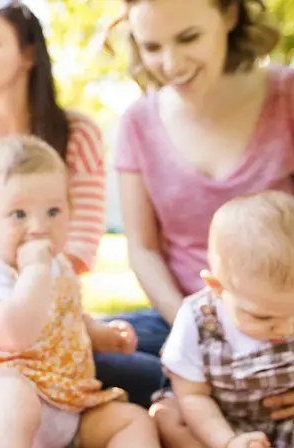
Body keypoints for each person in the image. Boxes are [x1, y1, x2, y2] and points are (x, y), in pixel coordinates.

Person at [0, 0, 164, 407]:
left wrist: (34, 291)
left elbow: (80, 247)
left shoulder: (78, 134)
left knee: (143, 379)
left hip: (48, 284)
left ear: (28, 55)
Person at [0, 136, 167, 448]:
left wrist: (102, 336)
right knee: (12, 393)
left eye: (53, 211)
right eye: (18, 214)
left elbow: (68, 320)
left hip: (67, 406)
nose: (39, 227)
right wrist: (34, 272)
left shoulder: (61, 270)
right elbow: (16, 334)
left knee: (131, 419)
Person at [110, 0, 294, 403]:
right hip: (177, 320)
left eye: (188, 37)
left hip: (281, 319)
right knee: (64, 351)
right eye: (152, 47)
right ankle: (202, 396)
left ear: (229, 14)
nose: (171, 63)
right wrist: (190, 339)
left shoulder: (287, 96)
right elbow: (142, 248)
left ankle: (197, 401)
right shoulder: (138, 123)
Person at [154, 191, 294, 448]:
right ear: (216, 287)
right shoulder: (196, 320)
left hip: (287, 420)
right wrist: (228, 446)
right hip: (219, 422)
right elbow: (192, 396)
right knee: (167, 416)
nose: (286, 327)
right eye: (263, 316)